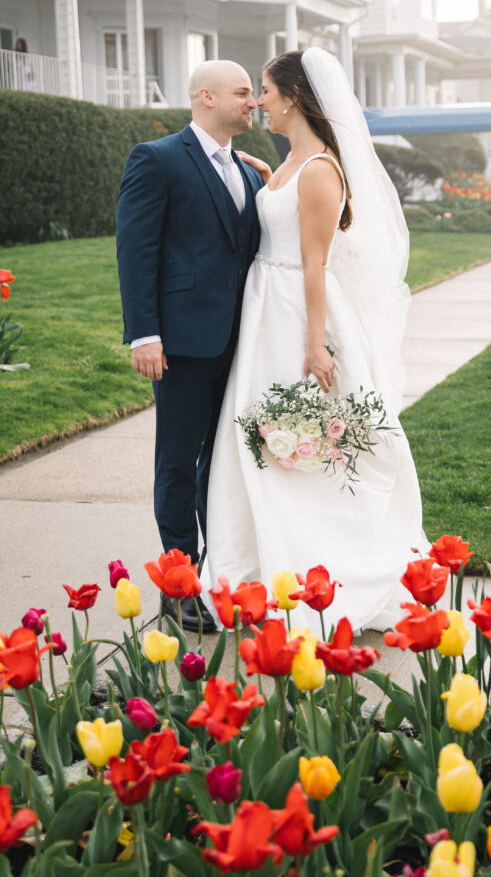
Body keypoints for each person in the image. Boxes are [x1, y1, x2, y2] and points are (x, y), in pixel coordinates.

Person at [203, 48, 426, 633]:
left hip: (294, 313)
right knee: (260, 434)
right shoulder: (290, 163)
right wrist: (262, 176)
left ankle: (329, 564)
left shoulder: (322, 169)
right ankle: (257, 563)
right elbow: (280, 210)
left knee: (302, 439)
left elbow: (315, 263)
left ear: (295, 96)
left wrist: (314, 344)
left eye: (267, 91)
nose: (259, 101)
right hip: (265, 310)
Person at [116, 60, 264, 630]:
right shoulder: (157, 159)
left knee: (222, 463)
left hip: (241, 341)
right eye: (242, 92)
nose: (252, 102)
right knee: (179, 461)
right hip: (181, 341)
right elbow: (136, 251)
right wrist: (144, 333)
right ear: (206, 96)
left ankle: (216, 572)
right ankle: (177, 584)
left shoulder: (247, 171)